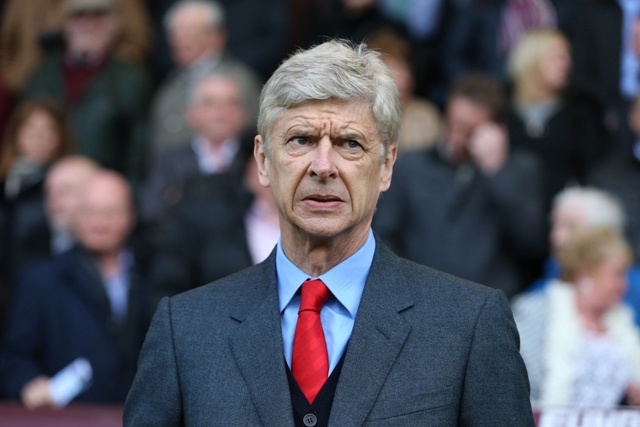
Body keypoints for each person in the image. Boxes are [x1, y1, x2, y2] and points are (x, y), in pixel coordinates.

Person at [124, 40, 535, 426]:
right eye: (301, 140)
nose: (324, 166)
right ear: (263, 161)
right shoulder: (185, 331)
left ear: (387, 164)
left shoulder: (469, 325)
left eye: (349, 143)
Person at [374, 73, 547, 298]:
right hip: (417, 300)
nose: (456, 138)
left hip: (489, 305)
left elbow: (532, 243)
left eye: (468, 131)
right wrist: (402, 287)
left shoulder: (520, 170)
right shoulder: (412, 166)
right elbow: (384, 234)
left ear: (496, 130)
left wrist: (497, 172)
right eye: (453, 124)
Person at [0, 170, 152, 408]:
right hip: (69, 416)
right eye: (89, 212)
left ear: (131, 215)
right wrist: (27, 383)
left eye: (110, 212)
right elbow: (14, 354)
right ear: (75, 216)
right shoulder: (41, 279)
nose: (99, 222)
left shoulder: (154, 273)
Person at [20, 0, 151, 185]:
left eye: (98, 16)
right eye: (79, 16)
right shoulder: (40, 76)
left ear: (114, 26)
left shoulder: (132, 80)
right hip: (41, 189)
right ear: (65, 24)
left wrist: (129, 194)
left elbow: (138, 151)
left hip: (101, 192)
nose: (88, 24)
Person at [512, 227, 640, 407]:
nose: (624, 285)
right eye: (617, 274)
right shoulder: (537, 312)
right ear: (585, 273)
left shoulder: (623, 322)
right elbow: (516, 379)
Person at [149, 137, 279, 304]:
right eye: (266, 160)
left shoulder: (316, 225)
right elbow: (169, 288)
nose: (275, 171)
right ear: (248, 171)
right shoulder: (208, 220)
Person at [506, 29, 602, 214]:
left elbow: (592, 170)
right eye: (556, 57)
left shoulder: (581, 112)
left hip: (561, 213)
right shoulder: (503, 109)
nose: (566, 64)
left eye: (567, 57)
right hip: (509, 210)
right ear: (531, 61)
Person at [147, 0, 261, 155]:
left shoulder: (239, 80)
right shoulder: (171, 83)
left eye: (189, 31)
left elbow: (253, 135)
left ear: (216, 36)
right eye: (174, 33)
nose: (180, 40)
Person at [140, 72, 249, 225]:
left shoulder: (255, 159)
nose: (221, 110)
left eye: (230, 102)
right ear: (190, 114)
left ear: (243, 114)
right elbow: (150, 210)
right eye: (210, 103)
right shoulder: (169, 162)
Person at [0, 98, 73, 297]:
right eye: (31, 128)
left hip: (43, 293)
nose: (39, 137)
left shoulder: (65, 187)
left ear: (61, 138)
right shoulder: (6, 183)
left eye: (49, 130)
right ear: (16, 134)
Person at [366, 28, 443, 154]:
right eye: (391, 71)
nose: (401, 79)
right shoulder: (360, 115)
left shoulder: (427, 116)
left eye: (403, 69)